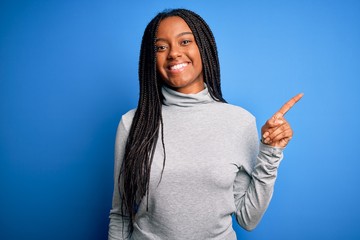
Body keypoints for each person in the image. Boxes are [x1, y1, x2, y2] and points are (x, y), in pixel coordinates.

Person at [108, 8, 303, 240]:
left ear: (204, 47)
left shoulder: (239, 122)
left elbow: (248, 218)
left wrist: (270, 153)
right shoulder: (132, 123)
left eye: (185, 41)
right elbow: (121, 215)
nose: (173, 53)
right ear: (151, 59)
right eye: (161, 47)